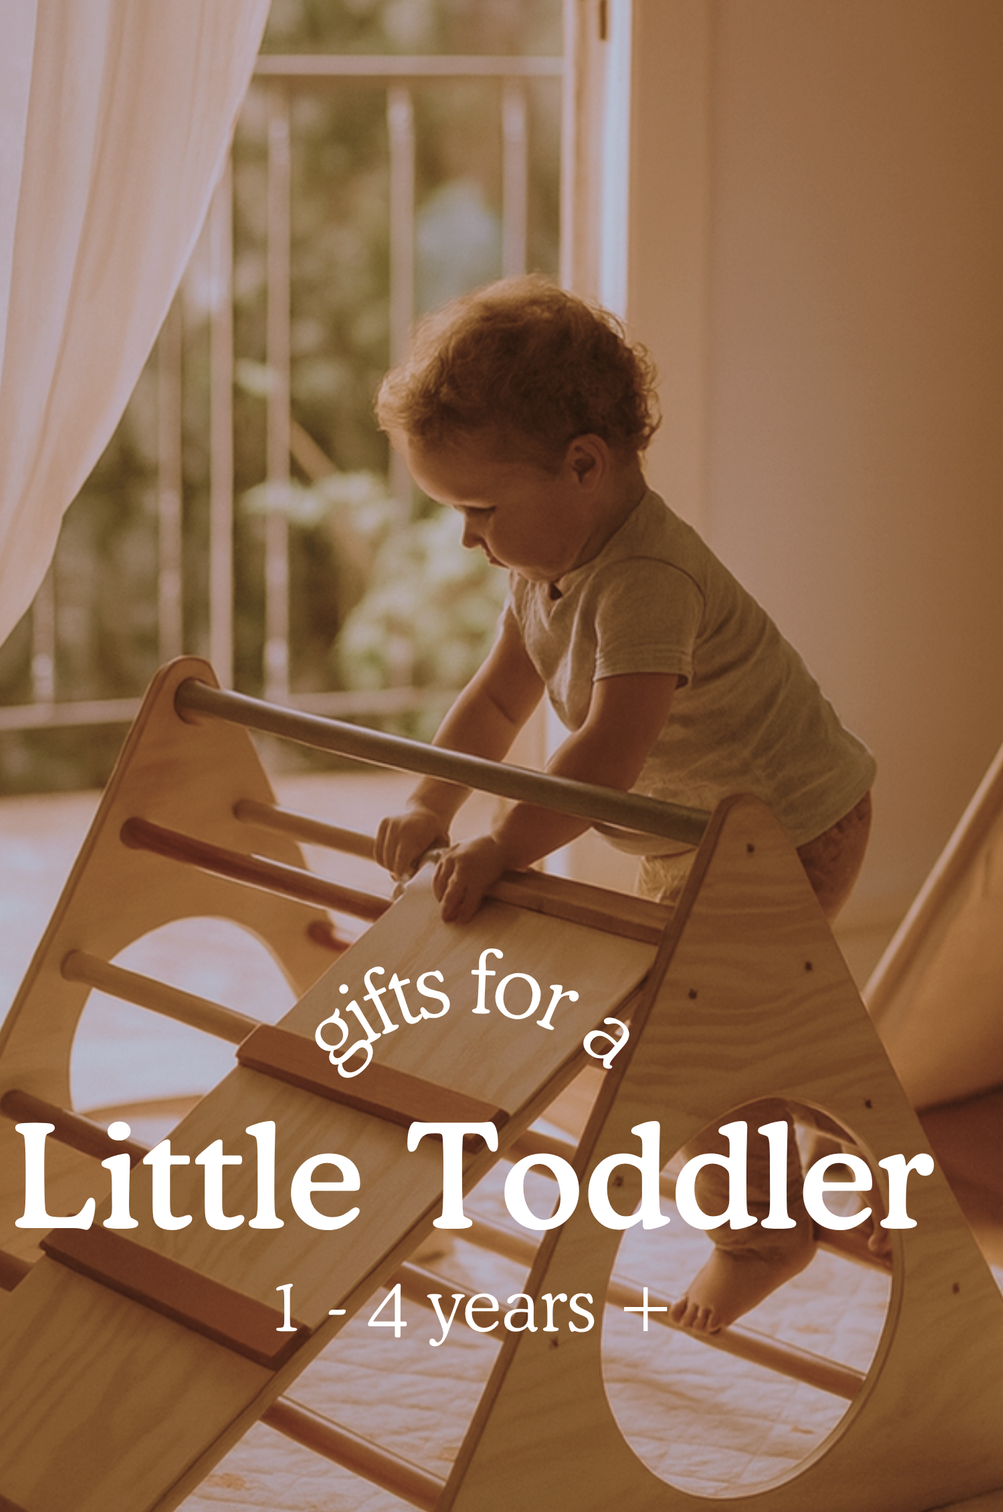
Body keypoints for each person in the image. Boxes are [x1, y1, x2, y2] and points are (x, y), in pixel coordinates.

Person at [371, 275, 876, 1335]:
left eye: (478, 509)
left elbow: (605, 751)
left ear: (583, 465)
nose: (468, 539)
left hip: (786, 831)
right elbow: (498, 698)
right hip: (694, 837)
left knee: (677, 1039)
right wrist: (430, 800)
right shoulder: (541, 569)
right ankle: (822, 1157)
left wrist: (505, 843)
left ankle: (760, 1231)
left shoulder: (645, 577)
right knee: (714, 1027)